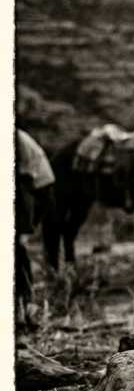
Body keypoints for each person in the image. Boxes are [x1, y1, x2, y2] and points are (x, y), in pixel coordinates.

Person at [16, 129, 56, 330]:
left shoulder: (15, 139)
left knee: (17, 251)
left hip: (34, 192)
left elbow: (25, 186)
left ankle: (26, 308)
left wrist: (24, 228)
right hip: (25, 192)